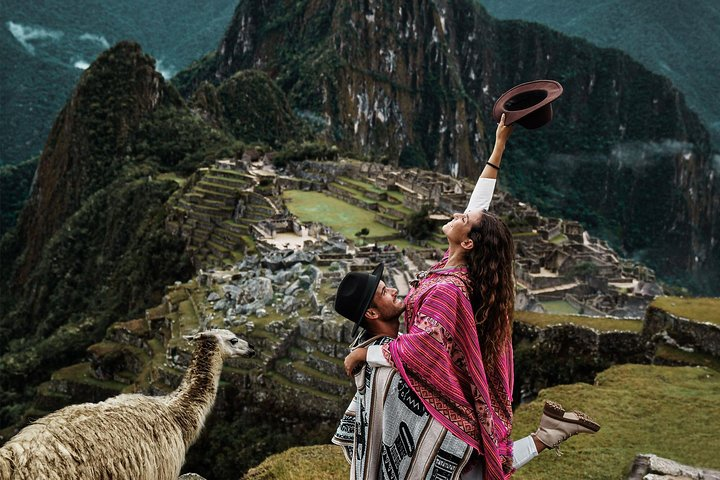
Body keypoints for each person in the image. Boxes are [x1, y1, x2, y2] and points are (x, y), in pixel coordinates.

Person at [335, 114, 600, 479]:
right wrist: (499, 144)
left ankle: (550, 434)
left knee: (462, 468)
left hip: (448, 398)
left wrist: (364, 353)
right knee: (477, 466)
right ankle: (550, 433)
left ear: (468, 241)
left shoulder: (447, 289)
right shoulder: (453, 267)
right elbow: (481, 206)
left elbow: (421, 348)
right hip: (449, 389)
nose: (460, 213)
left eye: (465, 218)